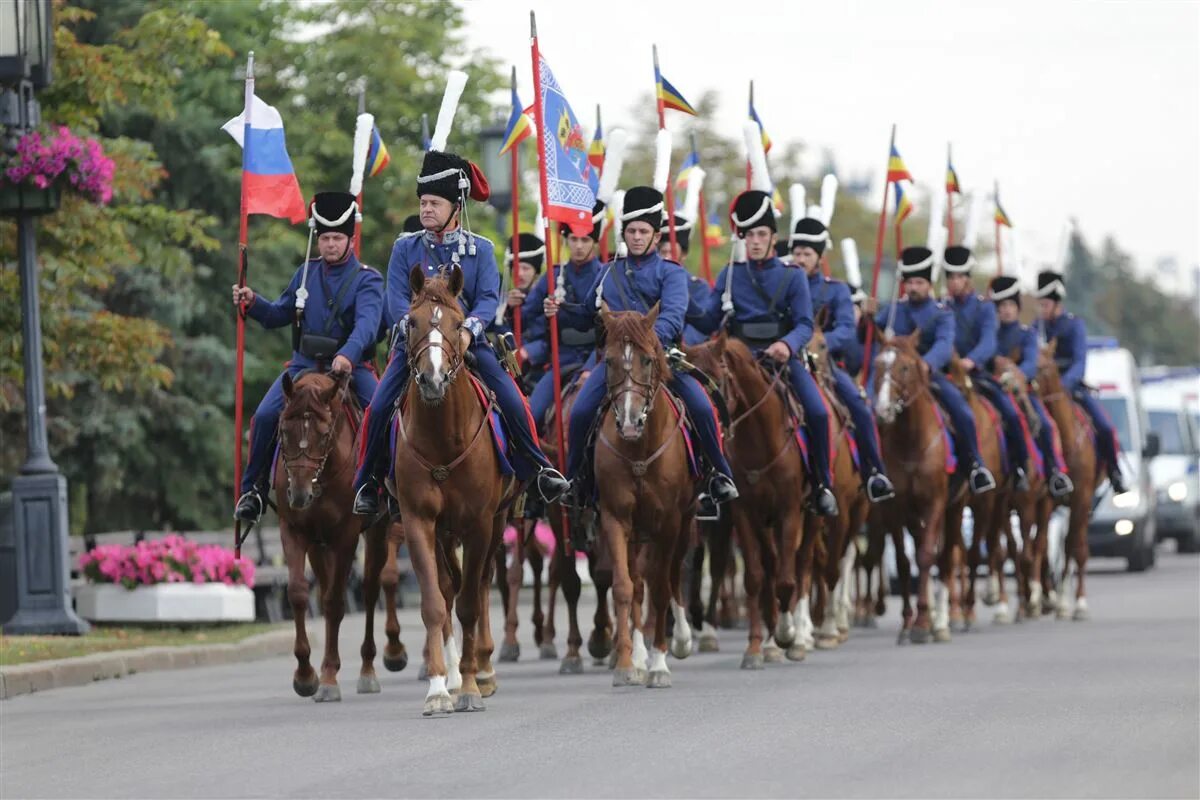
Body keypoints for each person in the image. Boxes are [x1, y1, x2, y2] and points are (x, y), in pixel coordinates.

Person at [352, 149, 570, 516]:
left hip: (468, 344)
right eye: (423, 202)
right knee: (377, 408)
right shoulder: (405, 248)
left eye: (434, 203)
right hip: (417, 345)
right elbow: (394, 299)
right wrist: (414, 332)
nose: (426, 210)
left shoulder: (481, 249)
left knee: (514, 399)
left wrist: (469, 330)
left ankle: (538, 470)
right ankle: (368, 483)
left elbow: (487, 298)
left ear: (456, 207)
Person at [548, 186, 739, 516]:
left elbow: (673, 316)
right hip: (614, 364)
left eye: (643, 232)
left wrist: (646, 343)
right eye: (631, 231)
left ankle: (717, 475)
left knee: (702, 407)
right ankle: (577, 479)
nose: (636, 237)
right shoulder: (609, 271)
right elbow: (585, 315)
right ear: (624, 233)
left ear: (656, 235)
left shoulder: (671, 273)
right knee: (579, 412)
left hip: (662, 359)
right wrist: (560, 307)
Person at [232, 191, 384, 522]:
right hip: (303, 367)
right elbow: (277, 315)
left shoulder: (367, 279)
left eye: (337, 238)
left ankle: (383, 488)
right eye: (325, 238)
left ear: (350, 239)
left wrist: (347, 355)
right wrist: (252, 301)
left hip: (349, 369)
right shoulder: (304, 273)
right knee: (265, 416)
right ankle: (254, 490)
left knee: (383, 413)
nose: (330, 244)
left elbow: (367, 327)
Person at [695, 194, 838, 516]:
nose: (755, 242)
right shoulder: (730, 274)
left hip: (781, 361)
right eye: (749, 235)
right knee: (705, 408)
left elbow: (803, 324)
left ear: (774, 238)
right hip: (736, 361)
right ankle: (710, 483)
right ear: (742, 238)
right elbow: (707, 320)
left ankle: (821, 484)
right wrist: (681, 303)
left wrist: (786, 345)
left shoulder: (792, 276)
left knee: (817, 411)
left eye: (762, 235)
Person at [875, 246, 997, 494]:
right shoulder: (893, 310)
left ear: (928, 284)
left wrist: (925, 364)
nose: (913, 287)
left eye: (918, 282)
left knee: (962, 411)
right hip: (894, 377)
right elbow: (871, 336)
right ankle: (872, 470)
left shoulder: (941, 313)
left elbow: (944, 343)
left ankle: (975, 465)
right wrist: (865, 316)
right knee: (868, 410)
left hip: (931, 375)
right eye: (909, 282)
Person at [790, 217, 895, 503]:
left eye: (806, 254)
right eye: (796, 253)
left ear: (819, 257)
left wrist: (821, 343)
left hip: (824, 364)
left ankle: (875, 472)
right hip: (783, 359)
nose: (800, 259)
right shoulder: (782, 282)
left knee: (858, 406)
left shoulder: (835, 290)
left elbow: (847, 330)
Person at [942, 245, 1031, 490]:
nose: (954, 282)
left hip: (976, 374)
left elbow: (989, 341)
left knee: (1011, 414)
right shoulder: (942, 307)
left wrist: (970, 361)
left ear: (968, 279)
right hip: (945, 373)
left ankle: (1020, 466)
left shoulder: (984, 308)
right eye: (950, 277)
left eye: (959, 277)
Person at [1035, 268, 1127, 493]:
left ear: (1057, 304)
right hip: (1041, 389)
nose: (1042, 309)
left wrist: (1064, 384)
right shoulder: (1036, 329)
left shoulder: (1074, 325)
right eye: (1040, 304)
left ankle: (1114, 471)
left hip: (1071, 387)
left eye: (1045, 304)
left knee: (1104, 426)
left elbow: (1079, 363)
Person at [519, 203, 606, 427]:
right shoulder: (553, 275)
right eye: (573, 239)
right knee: (530, 417)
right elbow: (526, 318)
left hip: (597, 361)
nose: (578, 246)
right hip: (560, 361)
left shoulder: (607, 276)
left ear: (595, 241)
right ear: (565, 239)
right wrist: (515, 306)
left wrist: (589, 369)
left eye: (585, 240)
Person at [988, 275, 1073, 498]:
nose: (1006, 311)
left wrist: (1016, 374)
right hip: (991, 388)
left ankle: (1053, 472)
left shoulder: (1027, 334)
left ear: (1017, 307)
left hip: (1021, 390)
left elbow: (1029, 362)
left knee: (1044, 425)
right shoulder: (990, 334)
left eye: (1010, 305)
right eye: (1001, 306)